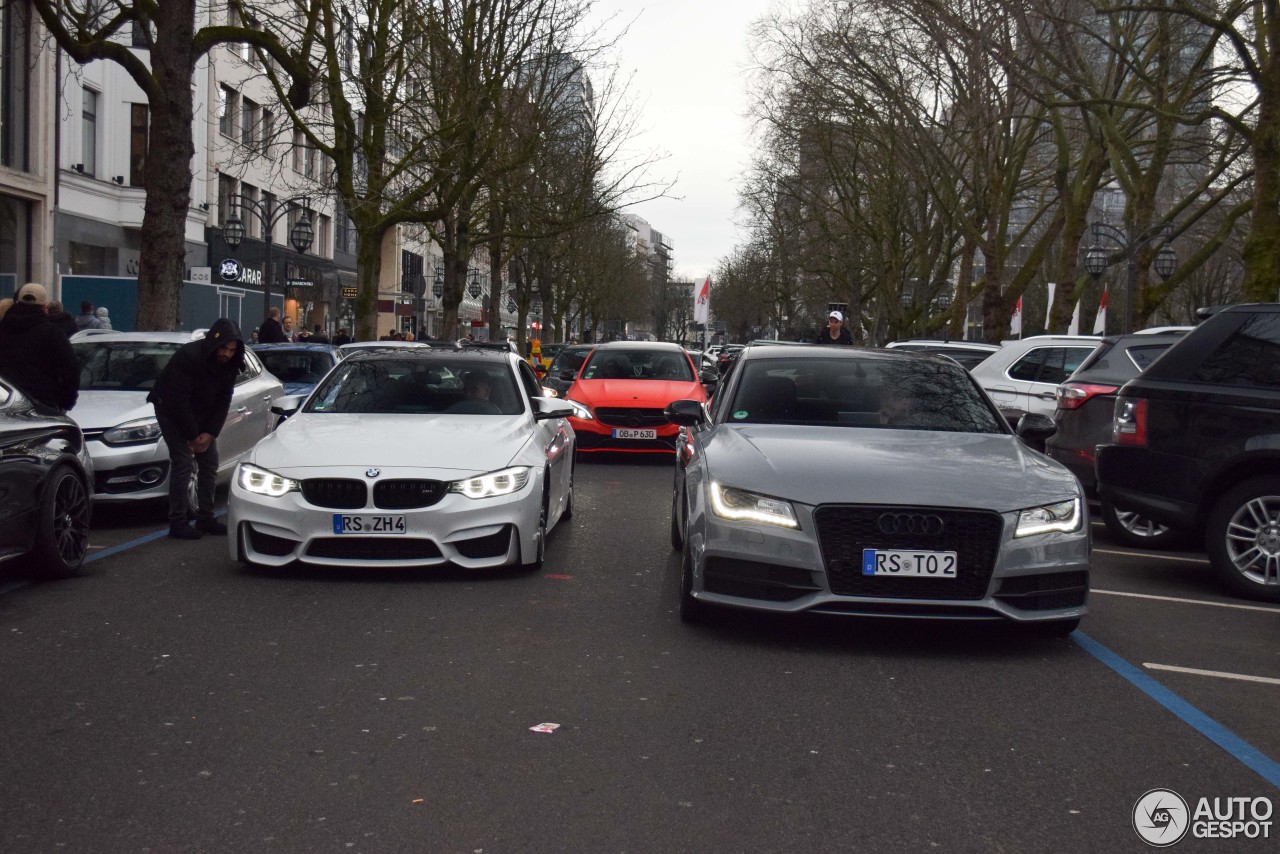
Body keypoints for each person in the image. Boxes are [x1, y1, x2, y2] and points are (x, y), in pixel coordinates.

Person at [147, 318, 246, 540]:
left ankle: (205, 516)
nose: (227, 354)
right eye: (224, 348)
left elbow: (223, 400)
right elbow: (177, 400)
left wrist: (210, 433)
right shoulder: (189, 357)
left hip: (201, 413)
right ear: (214, 343)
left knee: (209, 462)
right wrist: (193, 436)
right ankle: (178, 521)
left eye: (231, 350)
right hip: (170, 410)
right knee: (183, 461)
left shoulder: (231, 365)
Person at [0, 283, 79, 413]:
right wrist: (66, 401)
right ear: (44, 307)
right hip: (43, 403)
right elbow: (70, 369)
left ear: (17, 302)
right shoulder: (52, 333)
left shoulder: (3, 330)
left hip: (6, 402)